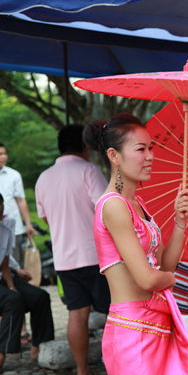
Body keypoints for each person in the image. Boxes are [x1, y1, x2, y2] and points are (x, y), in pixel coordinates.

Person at [83, 113, 188, 374]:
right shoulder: (113, 206)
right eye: (141, 149)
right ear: (114, 155)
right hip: (134, 331)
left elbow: (165, 265)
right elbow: (147, 279)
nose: (150, 156)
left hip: (156, 324)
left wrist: (180, 221)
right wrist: (170, 280)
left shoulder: (137, 204)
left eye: (151, 148)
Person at [35, 124, 110, 375]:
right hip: (95, 256)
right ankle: (117, 363)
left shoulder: (44, 178)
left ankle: (82, 368)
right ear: (86, 145)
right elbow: (107, 208)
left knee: (76, 314)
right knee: (113, 311)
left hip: (64, 259)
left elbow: (45, 218)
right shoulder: (89, 170)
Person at [0, 193, 54, 372]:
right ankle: (2, 352)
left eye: (1, 207)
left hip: (4, 276)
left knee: (40, 297)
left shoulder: (5, 229)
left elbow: (4, 264)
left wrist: (12, 285)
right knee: (13, 300)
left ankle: (39, 346)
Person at [0, 142, 35, 266]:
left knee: (15, 264)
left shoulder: (14, 175)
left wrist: (28, 223)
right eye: (0, 154)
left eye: (5, 153)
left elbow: (20, 200)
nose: (4, 157)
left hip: (13, 228)